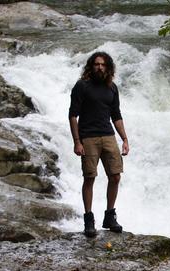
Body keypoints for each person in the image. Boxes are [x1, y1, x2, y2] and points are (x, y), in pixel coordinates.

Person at [68, 51, 130, 237]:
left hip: (108, 136)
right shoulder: (82, 86)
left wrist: (125, 139)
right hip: (88, 138)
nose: (99, 67)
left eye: (103, 65)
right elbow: (73, 115)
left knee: (115, 176)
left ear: (108, 67)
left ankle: (109, 217)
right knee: (90, 178)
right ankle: (89, 220)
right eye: (96, 64)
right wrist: (77, 142)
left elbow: (116, 115)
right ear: (91, 66)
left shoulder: (112, 88)